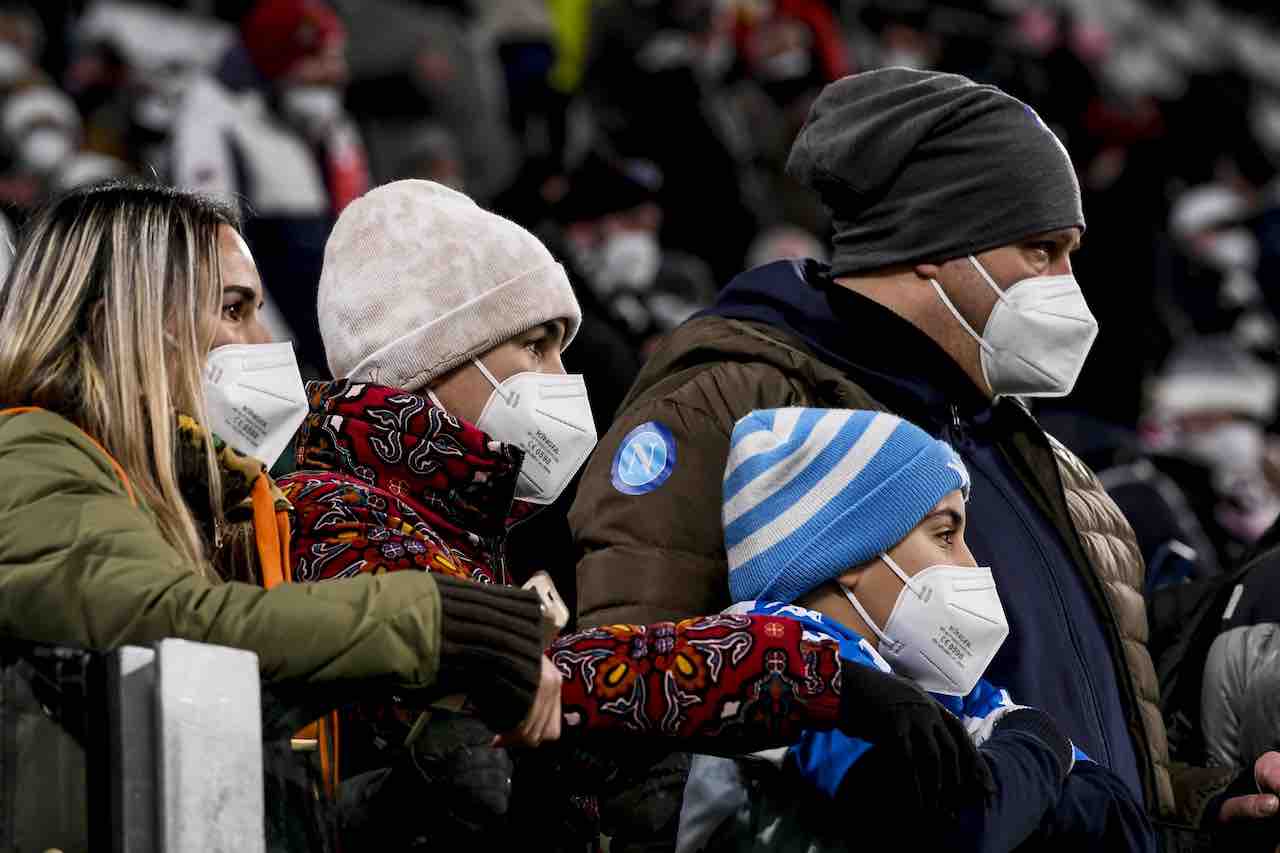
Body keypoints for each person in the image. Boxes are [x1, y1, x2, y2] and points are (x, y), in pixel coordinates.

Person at [569, 67, 1280, 843]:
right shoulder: (746, 401)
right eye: (1042, 251)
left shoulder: (1033, 453)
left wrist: (1202, 810)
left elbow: (1102, 729)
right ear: (938, 245)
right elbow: (632, 707)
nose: (1066, 287)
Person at [288, 178, 990, 847]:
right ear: (430, 358)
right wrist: (797, 668)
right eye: (535, 347)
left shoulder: (454, 530)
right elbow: (533, 681)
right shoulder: (335, 515)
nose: (562, 379)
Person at [0, 180, 558, 849]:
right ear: (120, 321)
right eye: (234, 309)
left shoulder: (207, 510)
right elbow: (174, 635)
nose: (265, 341)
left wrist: (399, 797)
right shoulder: (27, 455)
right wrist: (444, 621)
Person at [678, 408, 1153, 852]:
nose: (970, 562)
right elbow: (962, 825)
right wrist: (1037, 738)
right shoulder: (783, 660)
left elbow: (1114, 809)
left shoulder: (925, 682)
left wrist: (1023, 778)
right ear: (849, 552)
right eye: (946, 535)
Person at [170, 0, 370, 372]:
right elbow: (216, 248)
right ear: (277, 65)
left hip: (336, 328)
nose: (336, 73)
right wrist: (270, 352)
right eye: (318, 62)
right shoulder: (214, 121)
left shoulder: (329, 122)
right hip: (275, 333)